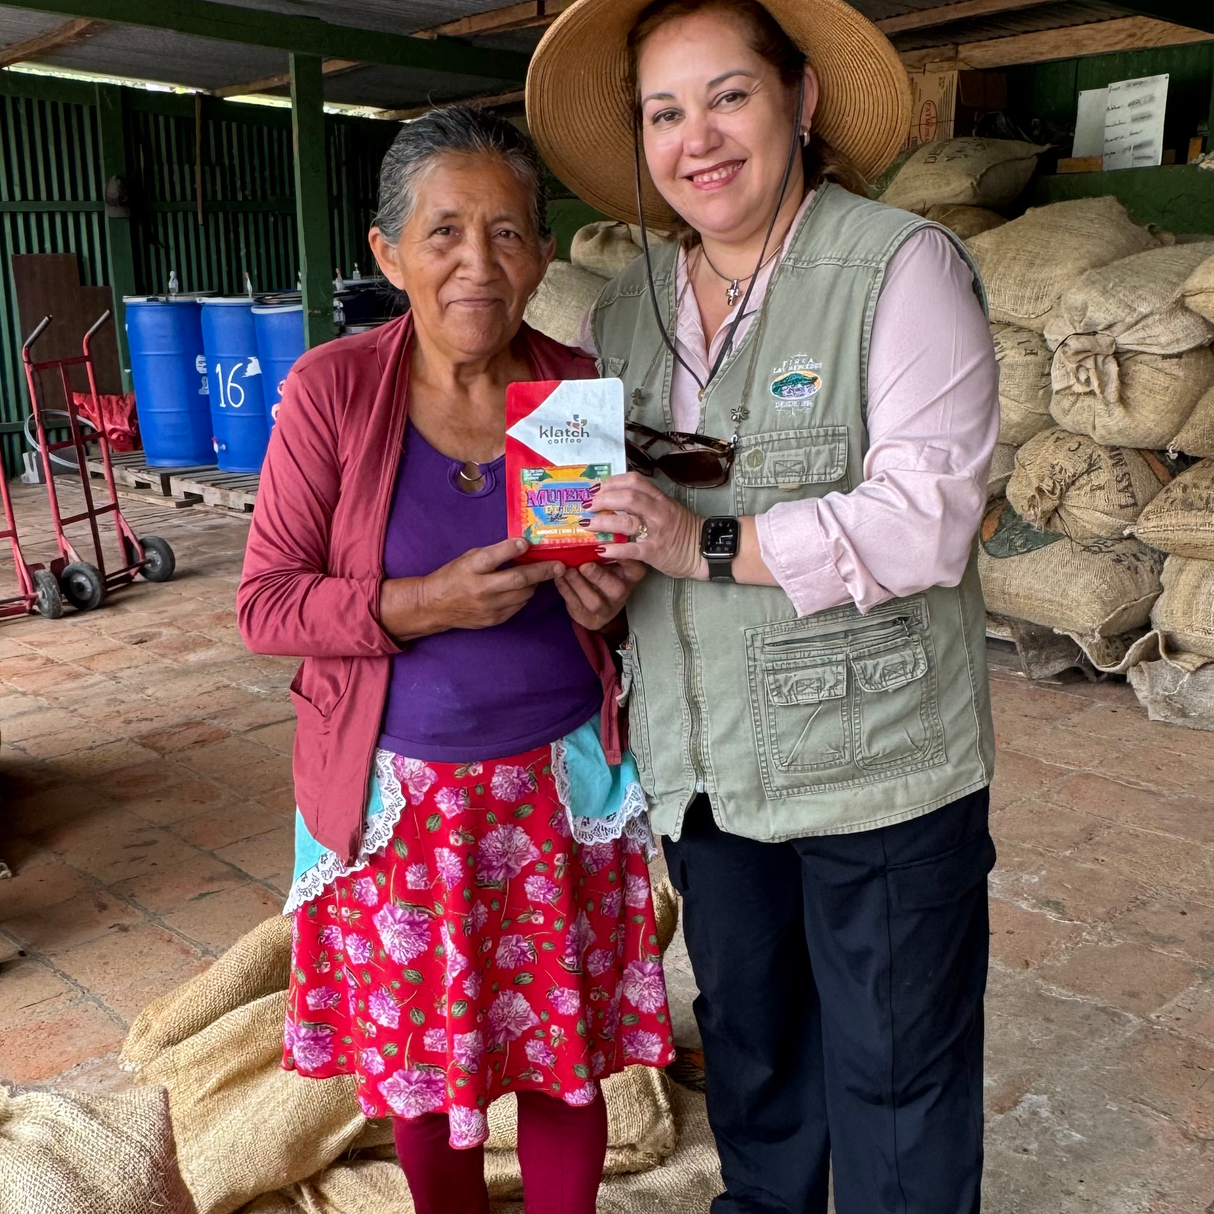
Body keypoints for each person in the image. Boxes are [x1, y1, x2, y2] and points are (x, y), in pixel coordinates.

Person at [527, 1, 1000, 1211]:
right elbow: (593, 512)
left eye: (728, 95)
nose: (699, 138)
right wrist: (594, 577)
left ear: (800, 100)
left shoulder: (898, 266)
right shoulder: (617, 309)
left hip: (878, 765)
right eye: (664, 111)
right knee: (754, 1054)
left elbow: (927, 514)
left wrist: (702, 538)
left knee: (897, 1071)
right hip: (708, 772)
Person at [237, 105, 674, 1214]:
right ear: (388, 254)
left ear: (538, 251)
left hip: (558, 790)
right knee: (430, 1077)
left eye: (509, 232)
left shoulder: (568, 390)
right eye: (443, 233)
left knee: (563, 1063)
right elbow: (265, 603)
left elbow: (609, 588)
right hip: (403, 802)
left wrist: (610, 598)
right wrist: (416, 604)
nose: (478, 264)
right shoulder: (336, 390)